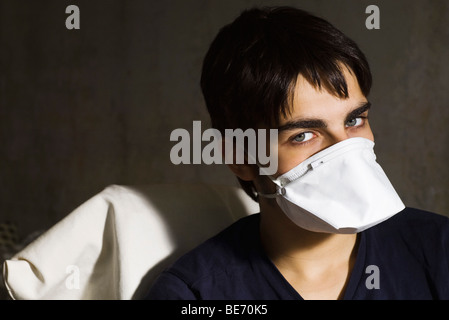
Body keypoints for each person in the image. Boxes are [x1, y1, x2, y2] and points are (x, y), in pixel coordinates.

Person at [146, 6, 449, 300]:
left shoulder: (438, 252)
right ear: (239, 158)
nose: (344, 149)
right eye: (303, 135)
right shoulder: (196, 294)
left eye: (354, 120)